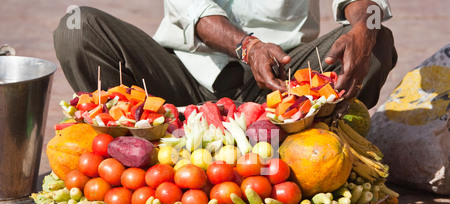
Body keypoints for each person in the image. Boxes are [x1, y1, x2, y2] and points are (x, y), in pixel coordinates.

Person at [54, 0, 397, 109]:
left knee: (378, 40)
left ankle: (313, 154)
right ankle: (139, 153)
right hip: (181, 79)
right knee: (78, 29)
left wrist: (365, 28)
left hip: (284, 84)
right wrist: (248, 47)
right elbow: (193, 9)